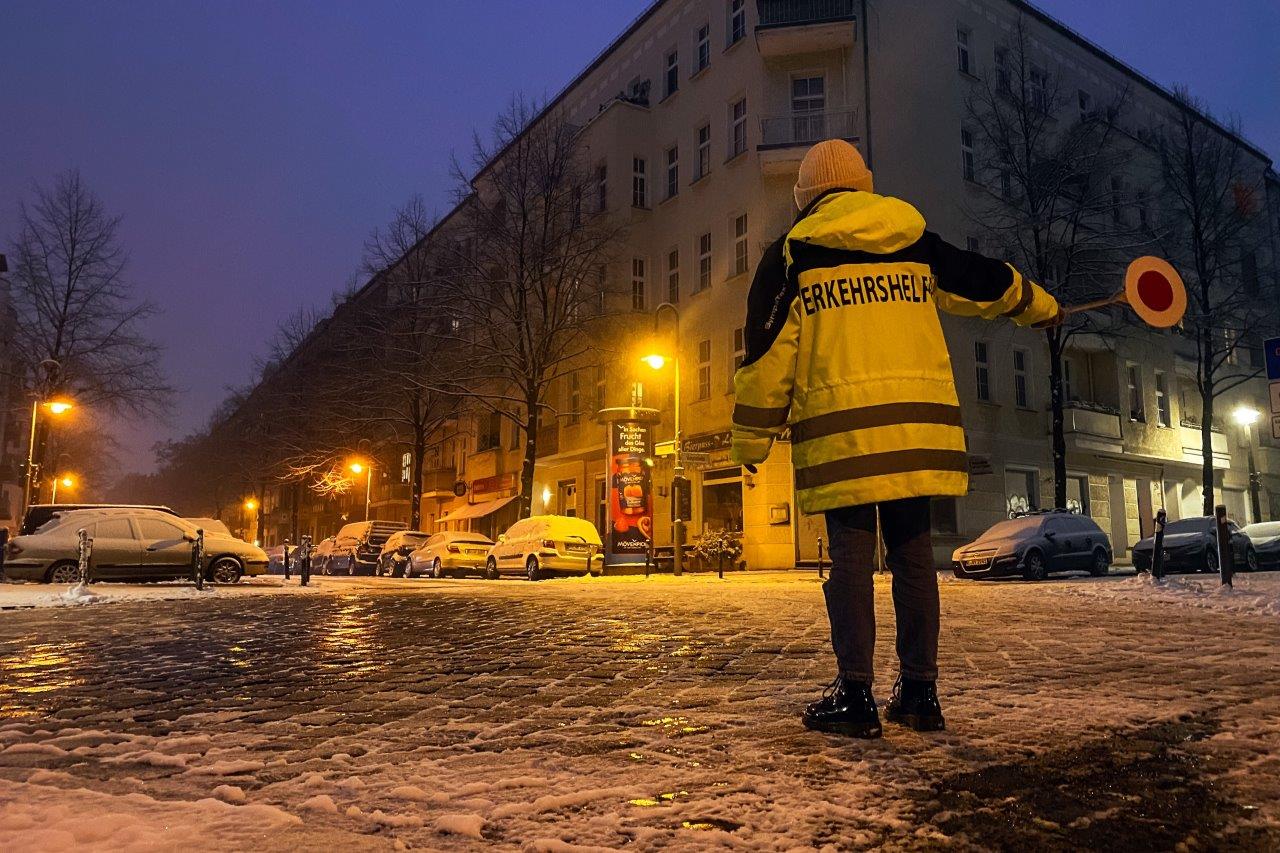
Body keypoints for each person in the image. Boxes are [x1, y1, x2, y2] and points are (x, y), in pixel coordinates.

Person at [731, 139, 1062, 739]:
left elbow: (767, 356)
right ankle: (920, 693)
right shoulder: (913, 242)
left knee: (851, 561)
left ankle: (854, 695)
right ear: (865, 186)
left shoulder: (794, 255)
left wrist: (750, 443)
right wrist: (1038, 306)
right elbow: (983, 282)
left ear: (804, 197)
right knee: (914, 558)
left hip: (843, 438)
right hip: (918, 430)